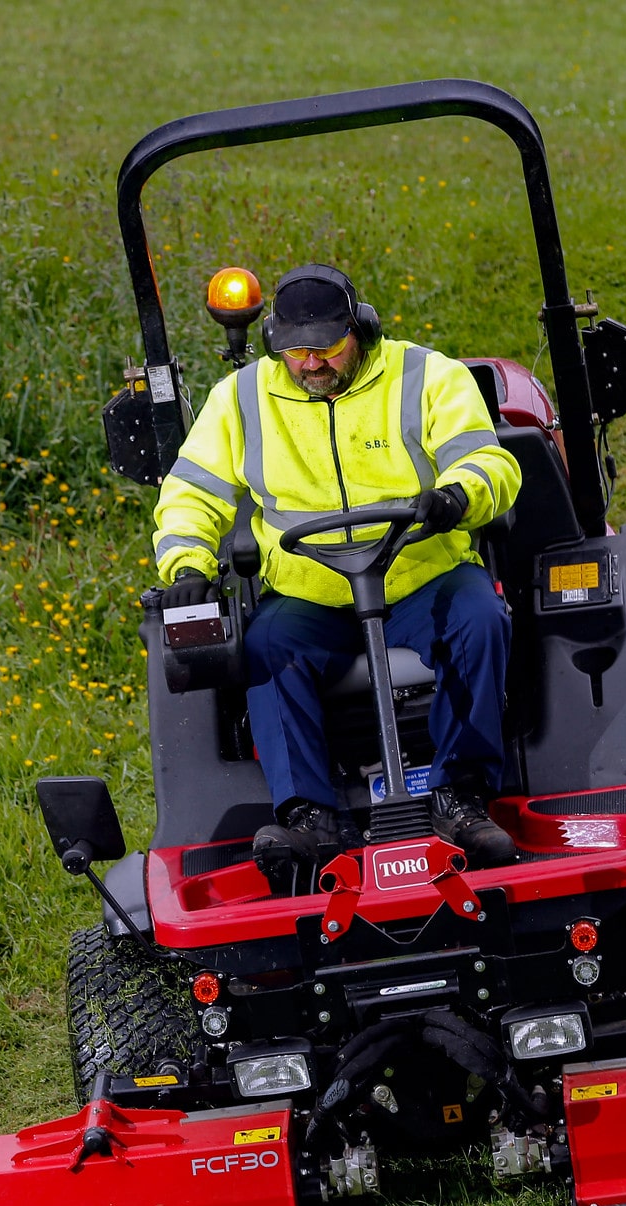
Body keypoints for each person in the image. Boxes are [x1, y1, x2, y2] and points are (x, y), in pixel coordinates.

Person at [152, 264, 521, 874]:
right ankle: (308, 818)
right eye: (297, 352)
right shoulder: (241, 399)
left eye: (328, 347)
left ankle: (462, 796)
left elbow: (488, 462)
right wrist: (188, 564)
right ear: (274, 343)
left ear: (362, 329)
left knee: (480, 617)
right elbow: (192, 493)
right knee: (265, 645)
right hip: (310, 593)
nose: (312, 363)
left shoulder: (427, 375)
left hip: (419, 573)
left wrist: (456, 497)